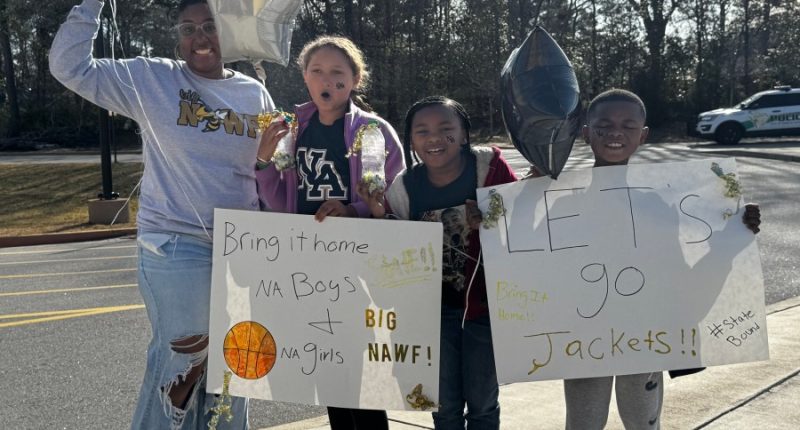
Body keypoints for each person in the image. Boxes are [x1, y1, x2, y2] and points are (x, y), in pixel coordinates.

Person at [50, 0, 274, 428]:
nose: (200, 38)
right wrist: (92, 4)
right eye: (188, 29)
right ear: (177, 38)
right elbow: (70, 66)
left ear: (226, 32)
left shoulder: (254, 92)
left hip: (242, 248)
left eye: (209, 26)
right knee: (182, 361)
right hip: (176, 243)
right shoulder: (152, 77)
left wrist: (269, 161)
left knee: (236, 363)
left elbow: (266, 170)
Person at [562, 88, 761, 430]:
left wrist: (734, 233)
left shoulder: (660, 201)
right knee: (582, 422)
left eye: (627, 125)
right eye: (604, 125)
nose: (615, 133)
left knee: (643, 421)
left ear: (643, 135)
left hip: (644, 334)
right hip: (584, 336)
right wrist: (505, 212)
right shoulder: (559, 199)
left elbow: (681, 268)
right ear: (585, 133)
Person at [255, 36, 404, 429]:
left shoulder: (374, 131)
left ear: (355, 79)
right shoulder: (291, 129)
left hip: (358, 264)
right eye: (317, 71)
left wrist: (352, 209)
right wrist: (263, 161)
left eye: (338, 72)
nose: (327, 79)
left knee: (360, 366)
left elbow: (394, 194)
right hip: (308, 262)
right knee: (327, 364)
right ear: (305, 77)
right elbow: (275, 196)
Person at [359, 96, 518, 429]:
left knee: (483, 405)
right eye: (422, 131)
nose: (434, 138)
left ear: (463, 134)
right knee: (442, 407)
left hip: (486, 311)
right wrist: (377, 213)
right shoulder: (404, 187)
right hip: (431, 315)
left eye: (446, 129)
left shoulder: (490, 169)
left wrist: (491, 220)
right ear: (411, 141)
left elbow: (521, 222)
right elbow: (392, 253)